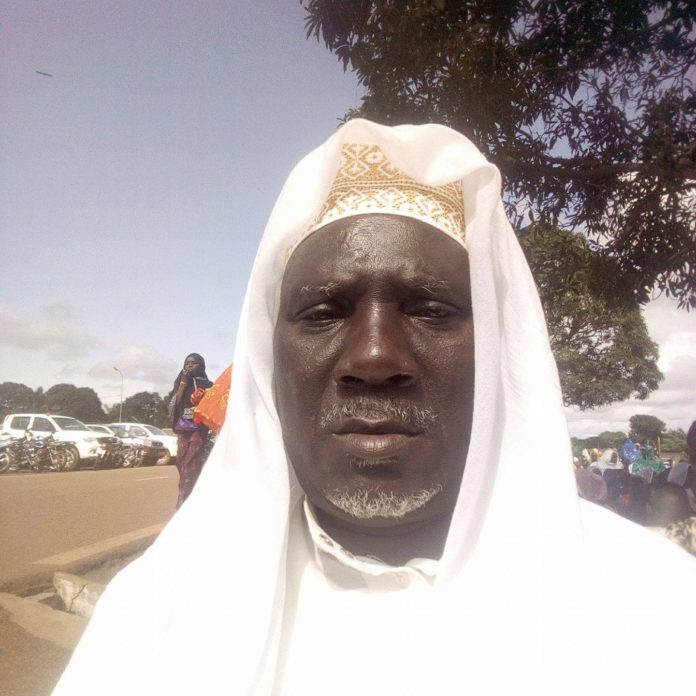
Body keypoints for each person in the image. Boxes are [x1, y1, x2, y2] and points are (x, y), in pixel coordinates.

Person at [52, 121, 696, 695]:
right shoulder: (157, 621)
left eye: (432, 310)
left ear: (502, 351)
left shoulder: (656, 614)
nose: (375, 356)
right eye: (323, 313)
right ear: (269, 363)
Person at [169, 353, 212, 508]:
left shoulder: (207, 384)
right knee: (181, 461)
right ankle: (192, 490)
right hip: (183, 426)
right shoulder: (180, 381)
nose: (190, 365)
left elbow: (212, 404)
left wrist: (203, 400)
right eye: (187, 363)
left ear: (201, 365)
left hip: (198, 428)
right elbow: (176, 402)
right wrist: (183, 382)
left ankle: (183, 499)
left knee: (190, 461)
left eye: (194, 363)